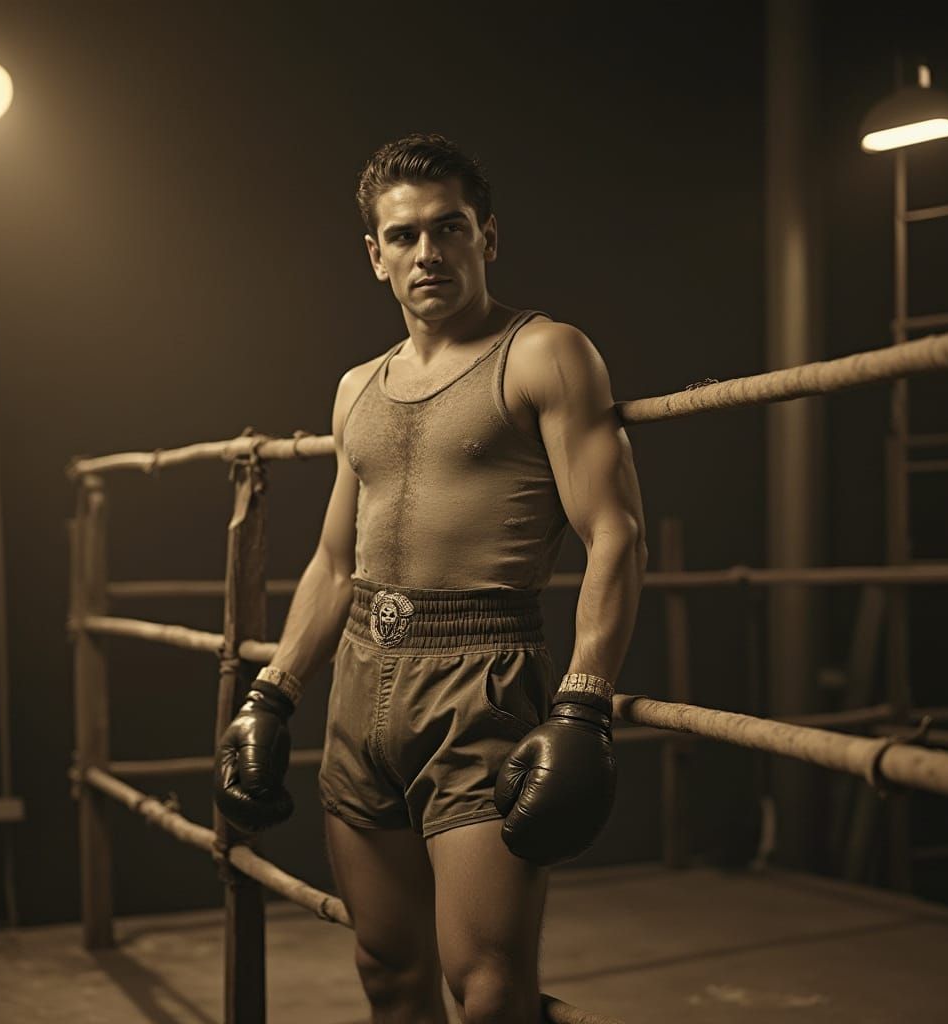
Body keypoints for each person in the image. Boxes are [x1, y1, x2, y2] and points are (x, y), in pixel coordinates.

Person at [215, 133, 647, 1024]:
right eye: (404, 237)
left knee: (486, 983)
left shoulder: (546, 353)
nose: (428, 253)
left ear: (486, 234)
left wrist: (583, 703)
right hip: (361, 685)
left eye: (447, 228)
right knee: (386, 969)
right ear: (375, 256)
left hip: (479, 684)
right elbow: (338, 561)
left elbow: (615, 532)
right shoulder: (355, 388)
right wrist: (272, 693)